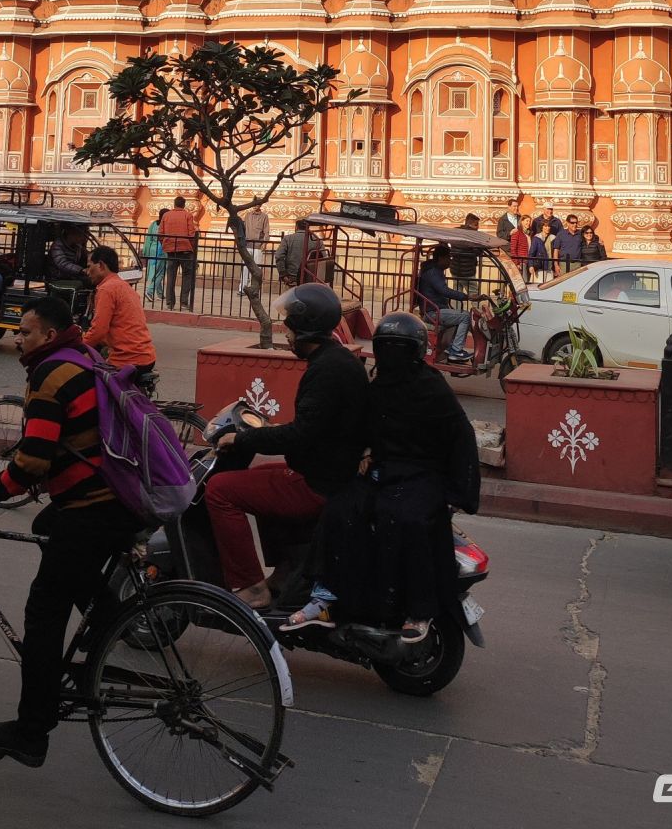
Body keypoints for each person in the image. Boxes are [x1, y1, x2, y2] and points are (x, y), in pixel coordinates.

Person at [0, 295, 141, 770]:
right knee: (49, 527)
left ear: (47, 334)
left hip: (94, 507)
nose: (17, 337)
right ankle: (105, 634)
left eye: (24, 331)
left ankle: (30, 732)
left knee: (43, 614)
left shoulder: (50, 375)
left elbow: (31, 460)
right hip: (114, 502)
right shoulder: (83, 356)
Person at [286, 311, 480, 641]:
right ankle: (326, 598)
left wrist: (457, 495)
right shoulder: (379, 387)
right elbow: (363, 428)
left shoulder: (433, 389)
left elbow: (461, 442)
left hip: (421, 476)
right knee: (340, 508)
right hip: (384, 473)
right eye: (386, 348)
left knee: (405, 518)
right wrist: (362, 452)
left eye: (398, 348)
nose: (392, 356)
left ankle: (418, 611)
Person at [204, 283, 369, 607]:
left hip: (319, 483)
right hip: (329, 471)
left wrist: (243, 437)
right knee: (263, 478)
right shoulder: (335, 361)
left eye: (290, 327)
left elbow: (300, 434)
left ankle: (251, 586)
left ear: (306, 330)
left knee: (220, 490)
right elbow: (315, 426)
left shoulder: (326, 370)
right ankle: (284, 571)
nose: (287, 335)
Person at [83, 244, 156, 376]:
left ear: (100, 265)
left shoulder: (106, 289)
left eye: (89, 266)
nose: (87, 272)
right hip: (147, 356)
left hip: (126, 360)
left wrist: (78, 346)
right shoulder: (124, 286)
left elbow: (98, 331)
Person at [417, 244, 473, 362]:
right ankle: (456, 350)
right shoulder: (433, 272)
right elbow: (444, 290)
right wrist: (466, 296)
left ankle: (452, 347)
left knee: (463, 316)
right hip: (433, 312)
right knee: (465, 317)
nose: (450, 261)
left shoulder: (436, 271)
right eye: (448, 258)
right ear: (441, 258)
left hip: (437, 308)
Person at [159, 195, 198, 310]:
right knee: (187, 275)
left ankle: (170, 303)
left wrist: (165, 244)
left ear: (174, 204)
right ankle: (184, 302)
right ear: (184, 205)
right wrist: (192, 249)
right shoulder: (187, 215)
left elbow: (160, 233)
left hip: (171, 249)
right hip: (185, 249)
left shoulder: (166, 215)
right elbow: (191, 233)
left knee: (171, 276)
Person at [274, 218, 322, 287]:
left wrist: (283, 274)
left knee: (291, 297)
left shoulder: (288, 239)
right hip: (311, 280)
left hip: (292, 279)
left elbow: (279, 256)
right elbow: (323, 258)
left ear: (296, 227)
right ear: (308, 227)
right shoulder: (317, 240)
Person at [239, 200, 270, 297]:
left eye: (257, 204)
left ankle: (254, 288)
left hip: (258, 245)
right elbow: (243, 228)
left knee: (257, 268)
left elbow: (266, 230)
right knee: (245, 267)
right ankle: (242, 288)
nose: (255, 206)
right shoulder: (248, 215)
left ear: (260, 205)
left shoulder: (264, 216)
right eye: (254, 204)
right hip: (247, 244)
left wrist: (265, 243)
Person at [449, 212, 482, 297]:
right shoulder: (473, 235)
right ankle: (476, 310)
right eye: (477, 224)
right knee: (473, 292)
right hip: (467, 271)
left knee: (456, 292)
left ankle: (456, 310)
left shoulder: (455, 232)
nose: (478, 227)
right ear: (473, 224)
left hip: (454, 268)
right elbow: (477, 252)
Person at [141, 209, 167, 303]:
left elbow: (148, 238)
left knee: (156, 270)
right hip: (161, 250)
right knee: (161, 273)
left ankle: (159, 294)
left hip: (152, 249)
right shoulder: (165, 225)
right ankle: (150, 291)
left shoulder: (153, 224)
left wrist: (146, 251)